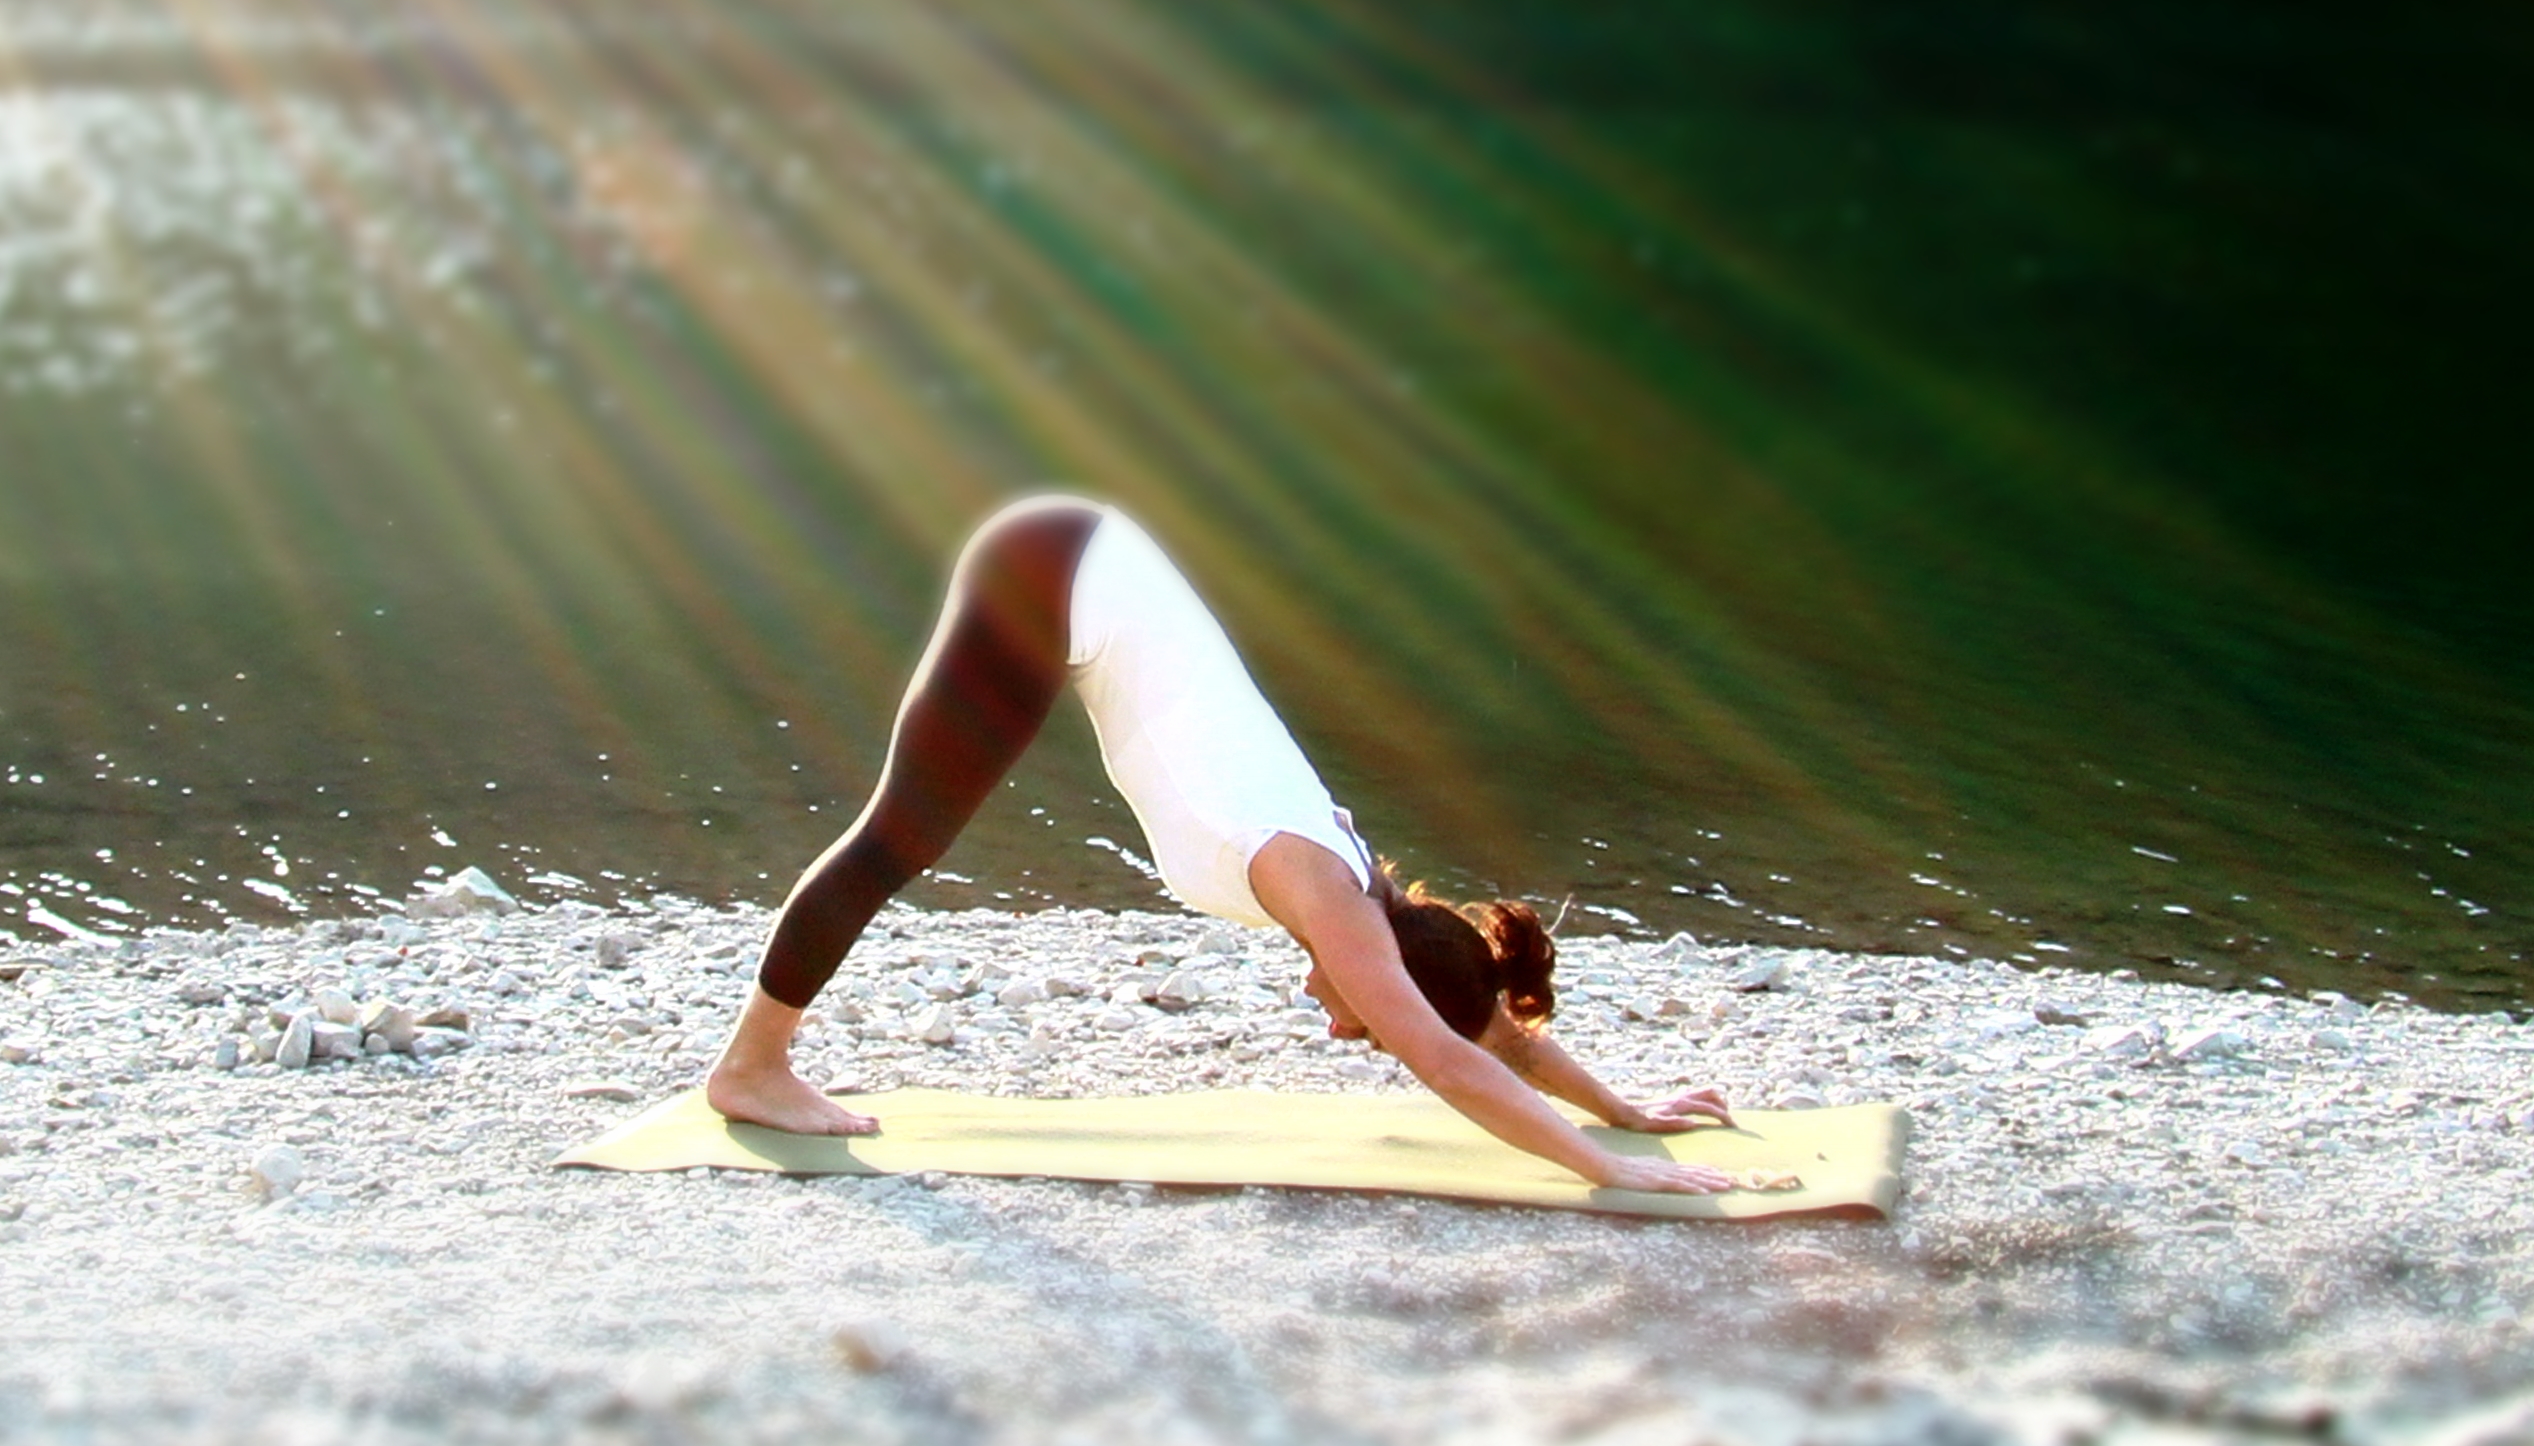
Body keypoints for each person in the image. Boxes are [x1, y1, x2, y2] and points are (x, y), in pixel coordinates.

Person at [699, 497, 1793, 1196]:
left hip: (1090, 564)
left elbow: (1481, 1018)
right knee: (900, 839)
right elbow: (1448, 1055)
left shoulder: (1384, 901)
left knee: (910, 835)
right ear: (1381, 972)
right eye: (1359, 1019)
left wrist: (1625, 1107)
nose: (1332, 1022)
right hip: (1058, 576)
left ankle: (758, 1058)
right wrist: (1605, 1170)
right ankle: (751, 1068)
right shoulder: (1326, 889)